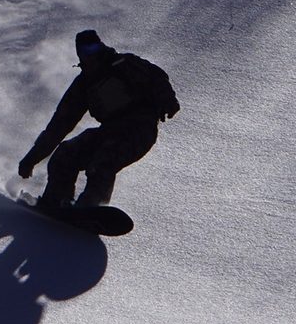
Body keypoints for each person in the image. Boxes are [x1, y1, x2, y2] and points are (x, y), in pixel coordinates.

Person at [17, 30, 179, 211]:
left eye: (94, 48)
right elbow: (58, 126)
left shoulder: (123, 64)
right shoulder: (83, 86)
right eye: (86, 52)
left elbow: (157, 77)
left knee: (103, 161)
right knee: (65, 154)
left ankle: (92, 207)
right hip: (110, 130)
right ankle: (56, 201)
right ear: (80, 55)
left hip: (139, 129)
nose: (91, 54)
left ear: (101, 46)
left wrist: (168, 100)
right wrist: (31, 159)